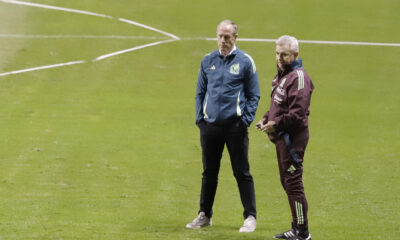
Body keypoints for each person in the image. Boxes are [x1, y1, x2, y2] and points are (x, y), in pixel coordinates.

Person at [186, 20, 260, 233]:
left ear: (235, 37)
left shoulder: (245, 62)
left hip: (235, 127)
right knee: (209, 172)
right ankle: (205, 214)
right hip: (210, 127)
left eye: (227, 37)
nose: (223, 41)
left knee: (242, 172)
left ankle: (250, 217)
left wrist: (245, 120)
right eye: (220, 36)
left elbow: (253, 94)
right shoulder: (208, 60)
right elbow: (200, 92)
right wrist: (200, 119)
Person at [256, 35, 314, 240]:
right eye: (277, 54)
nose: (279, 58)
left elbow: (297, 114)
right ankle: (296, 228)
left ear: (295, 54)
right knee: (287, 182)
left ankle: (302, 233)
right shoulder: (282, 75)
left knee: (293, 184)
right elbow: (278, 105)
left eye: (284, 55)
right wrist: (265, 118)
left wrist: (276, 123)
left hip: (292, 141)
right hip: (281, 138)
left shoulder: (298, 78)